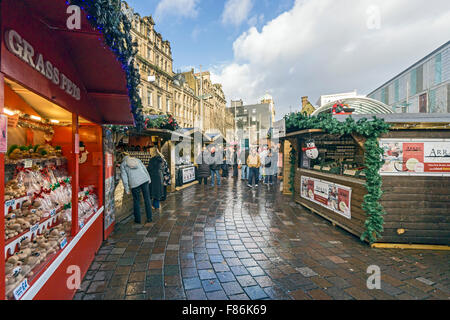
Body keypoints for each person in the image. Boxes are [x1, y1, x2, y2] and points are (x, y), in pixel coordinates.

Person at [120, 152, 152, 224]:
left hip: (134, 183)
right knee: (147, 199)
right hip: (144, 180)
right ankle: (149, 218)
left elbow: (124, 178)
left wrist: (127, 189)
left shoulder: (123, 165)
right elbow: (144, 169)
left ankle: (138, 220)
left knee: (136, 201)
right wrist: (149, 178)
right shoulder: (137, 160)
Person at [147, 147, 164, 211]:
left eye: (150, 151)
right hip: (159, 175)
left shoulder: (152, 159)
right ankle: (156, 205)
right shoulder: (160, 159)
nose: (150, 153)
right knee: (158, 191)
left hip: (154, 176)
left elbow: (149, 168)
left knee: (154, 191)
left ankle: (154, 205)